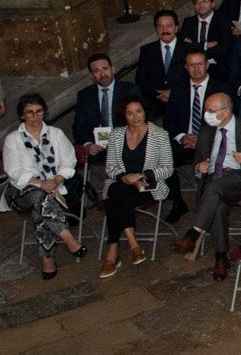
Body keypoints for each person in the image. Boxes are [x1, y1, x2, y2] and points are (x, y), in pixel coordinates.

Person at [177, 94, 241, 279]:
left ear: (225, 112)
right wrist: (199, 167)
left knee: (214, 189)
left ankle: (194, 233)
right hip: (215, 179)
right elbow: (197, 159)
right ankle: (221, 258)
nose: (206, 114)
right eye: (206, 110)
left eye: (211, 111)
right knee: (218, 202)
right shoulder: (207, 131)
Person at [4, 93, 85, 279]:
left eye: (39, 111)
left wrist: (55, 181)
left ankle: (47, 258)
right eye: (30, 112)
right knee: (38, 195)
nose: (35, 116)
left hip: (56, 188)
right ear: (22, 115)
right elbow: (14, 170)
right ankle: (67, 237)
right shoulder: (13, 139)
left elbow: (69, 161)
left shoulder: (56, 134)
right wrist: (42, 183)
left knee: (40, 206)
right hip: (20, 192)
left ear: (44, 112)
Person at [98, 98, 173, 278]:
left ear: (145, 111)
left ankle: (113, 252)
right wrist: (127, 178)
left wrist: (140, 176)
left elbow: (168, 168)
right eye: (130, 113)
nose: (135, 117)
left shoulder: (160, 135)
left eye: (138, 111)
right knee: (117, 192)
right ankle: (132, 243)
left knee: (114, 198)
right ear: (124, 116)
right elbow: (110, 168)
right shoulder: (116, 135)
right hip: (121, 183)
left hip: (146, 186)